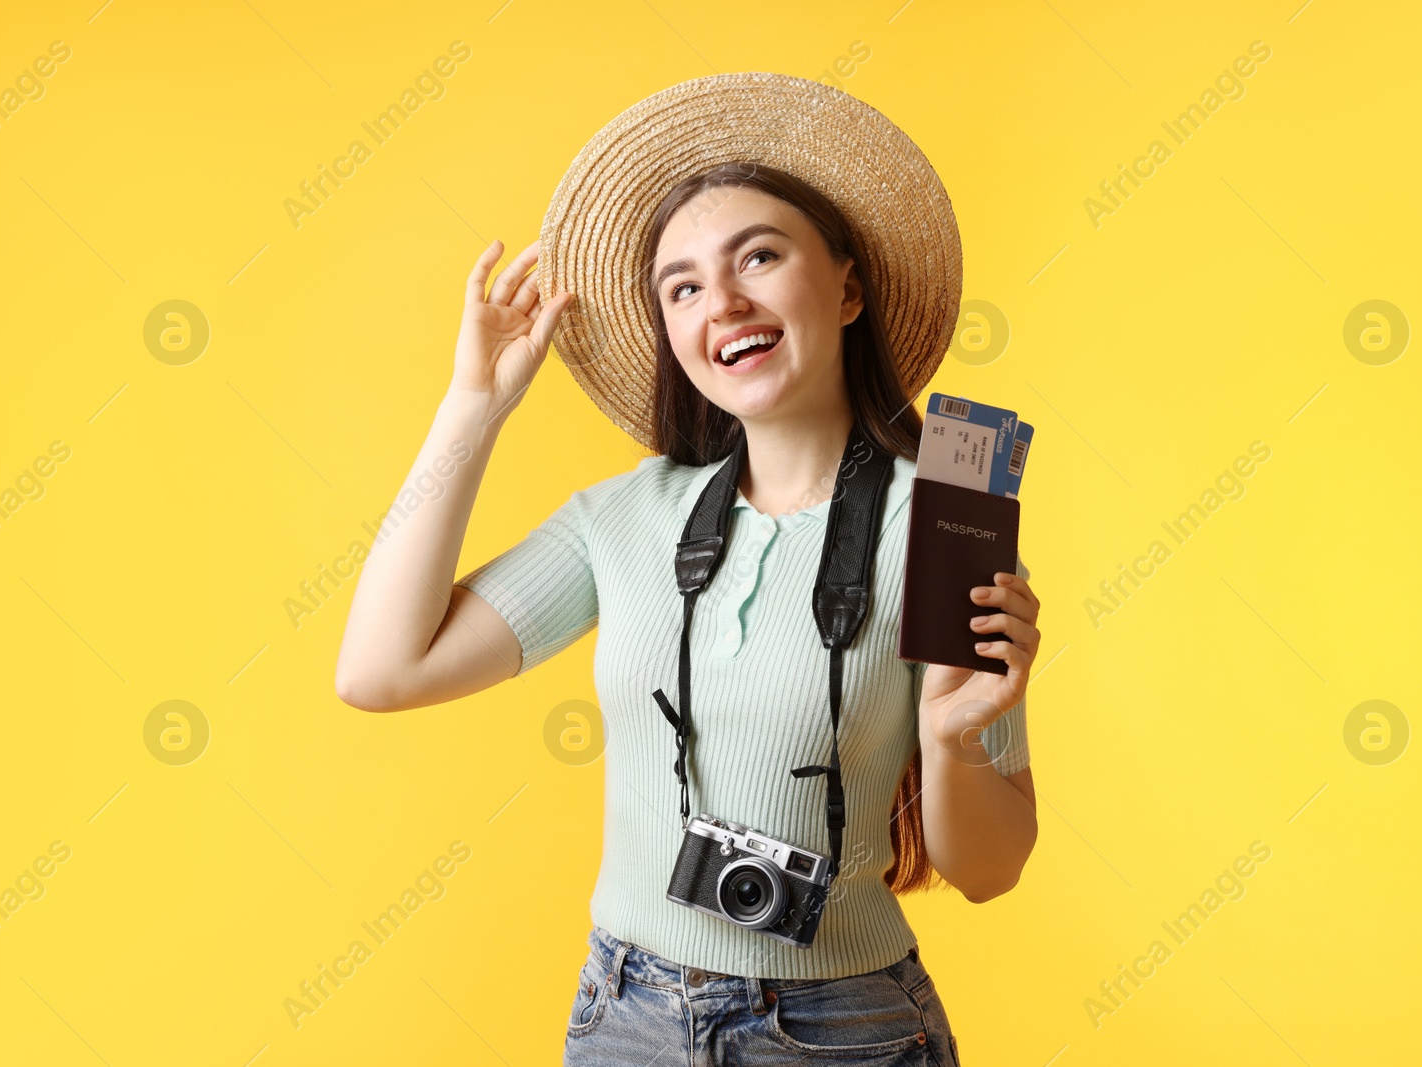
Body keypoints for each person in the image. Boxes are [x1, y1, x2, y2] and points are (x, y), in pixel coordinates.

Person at [335, 72, 1039, 1066]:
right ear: (672, 329)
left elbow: (988, 869)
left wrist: (951, 737)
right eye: (684, 284)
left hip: (842, 1030)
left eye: (759, 255)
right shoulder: (627, 513)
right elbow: (378, 670)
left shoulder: (948, 517)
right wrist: (472, 409)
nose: (726, 301)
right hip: (624, 1013)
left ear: (845, 287)